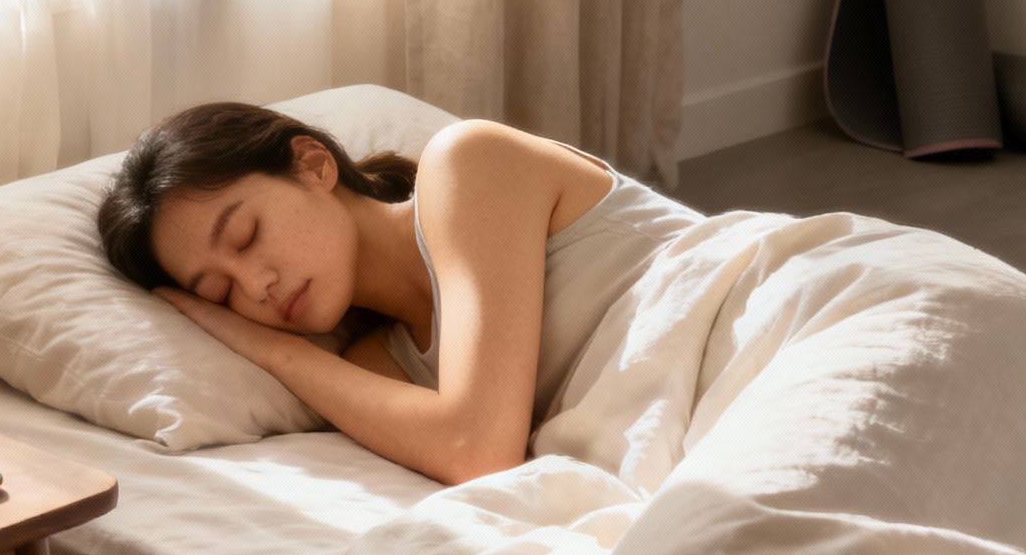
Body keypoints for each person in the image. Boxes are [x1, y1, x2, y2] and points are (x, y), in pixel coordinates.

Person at [97, 102, 699, 484]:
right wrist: (272, 351)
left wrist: (280, 352)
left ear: (313, 165)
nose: (255, 287)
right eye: (220, 292)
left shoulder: (468, 162)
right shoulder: (375, 368)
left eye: (246, 235)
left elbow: (478, 448)